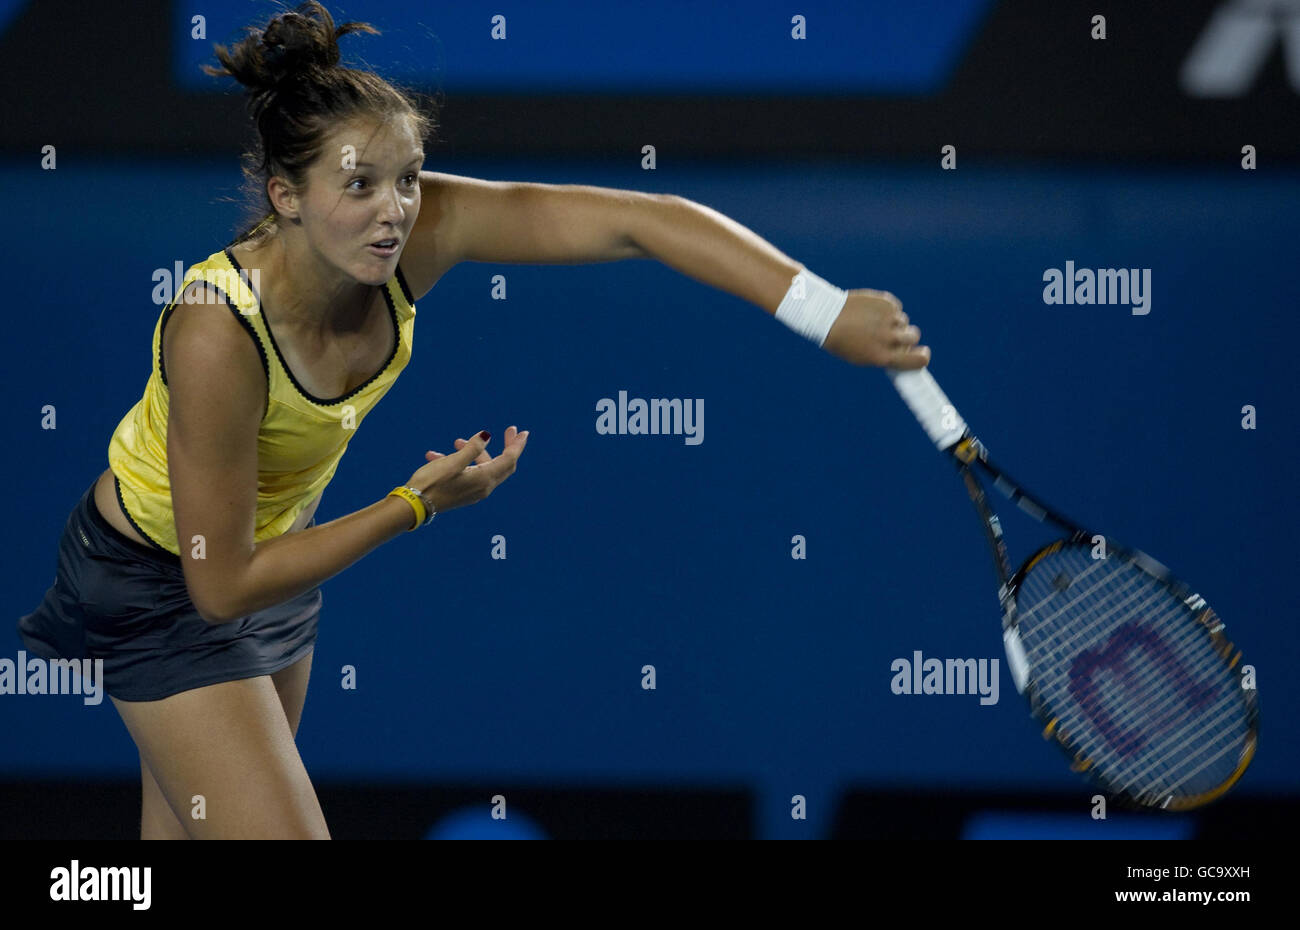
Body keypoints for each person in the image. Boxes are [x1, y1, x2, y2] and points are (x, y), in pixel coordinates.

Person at [17, 1, 929, 839]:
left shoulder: (422, 231)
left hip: (273, 564)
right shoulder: (218, 332)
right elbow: (219, 590)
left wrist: (822, 308)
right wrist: (411, 506)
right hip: (161, 580)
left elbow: (643, 221)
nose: (395, 210)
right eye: (360, 185)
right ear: (286, 197)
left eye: (407, 178)